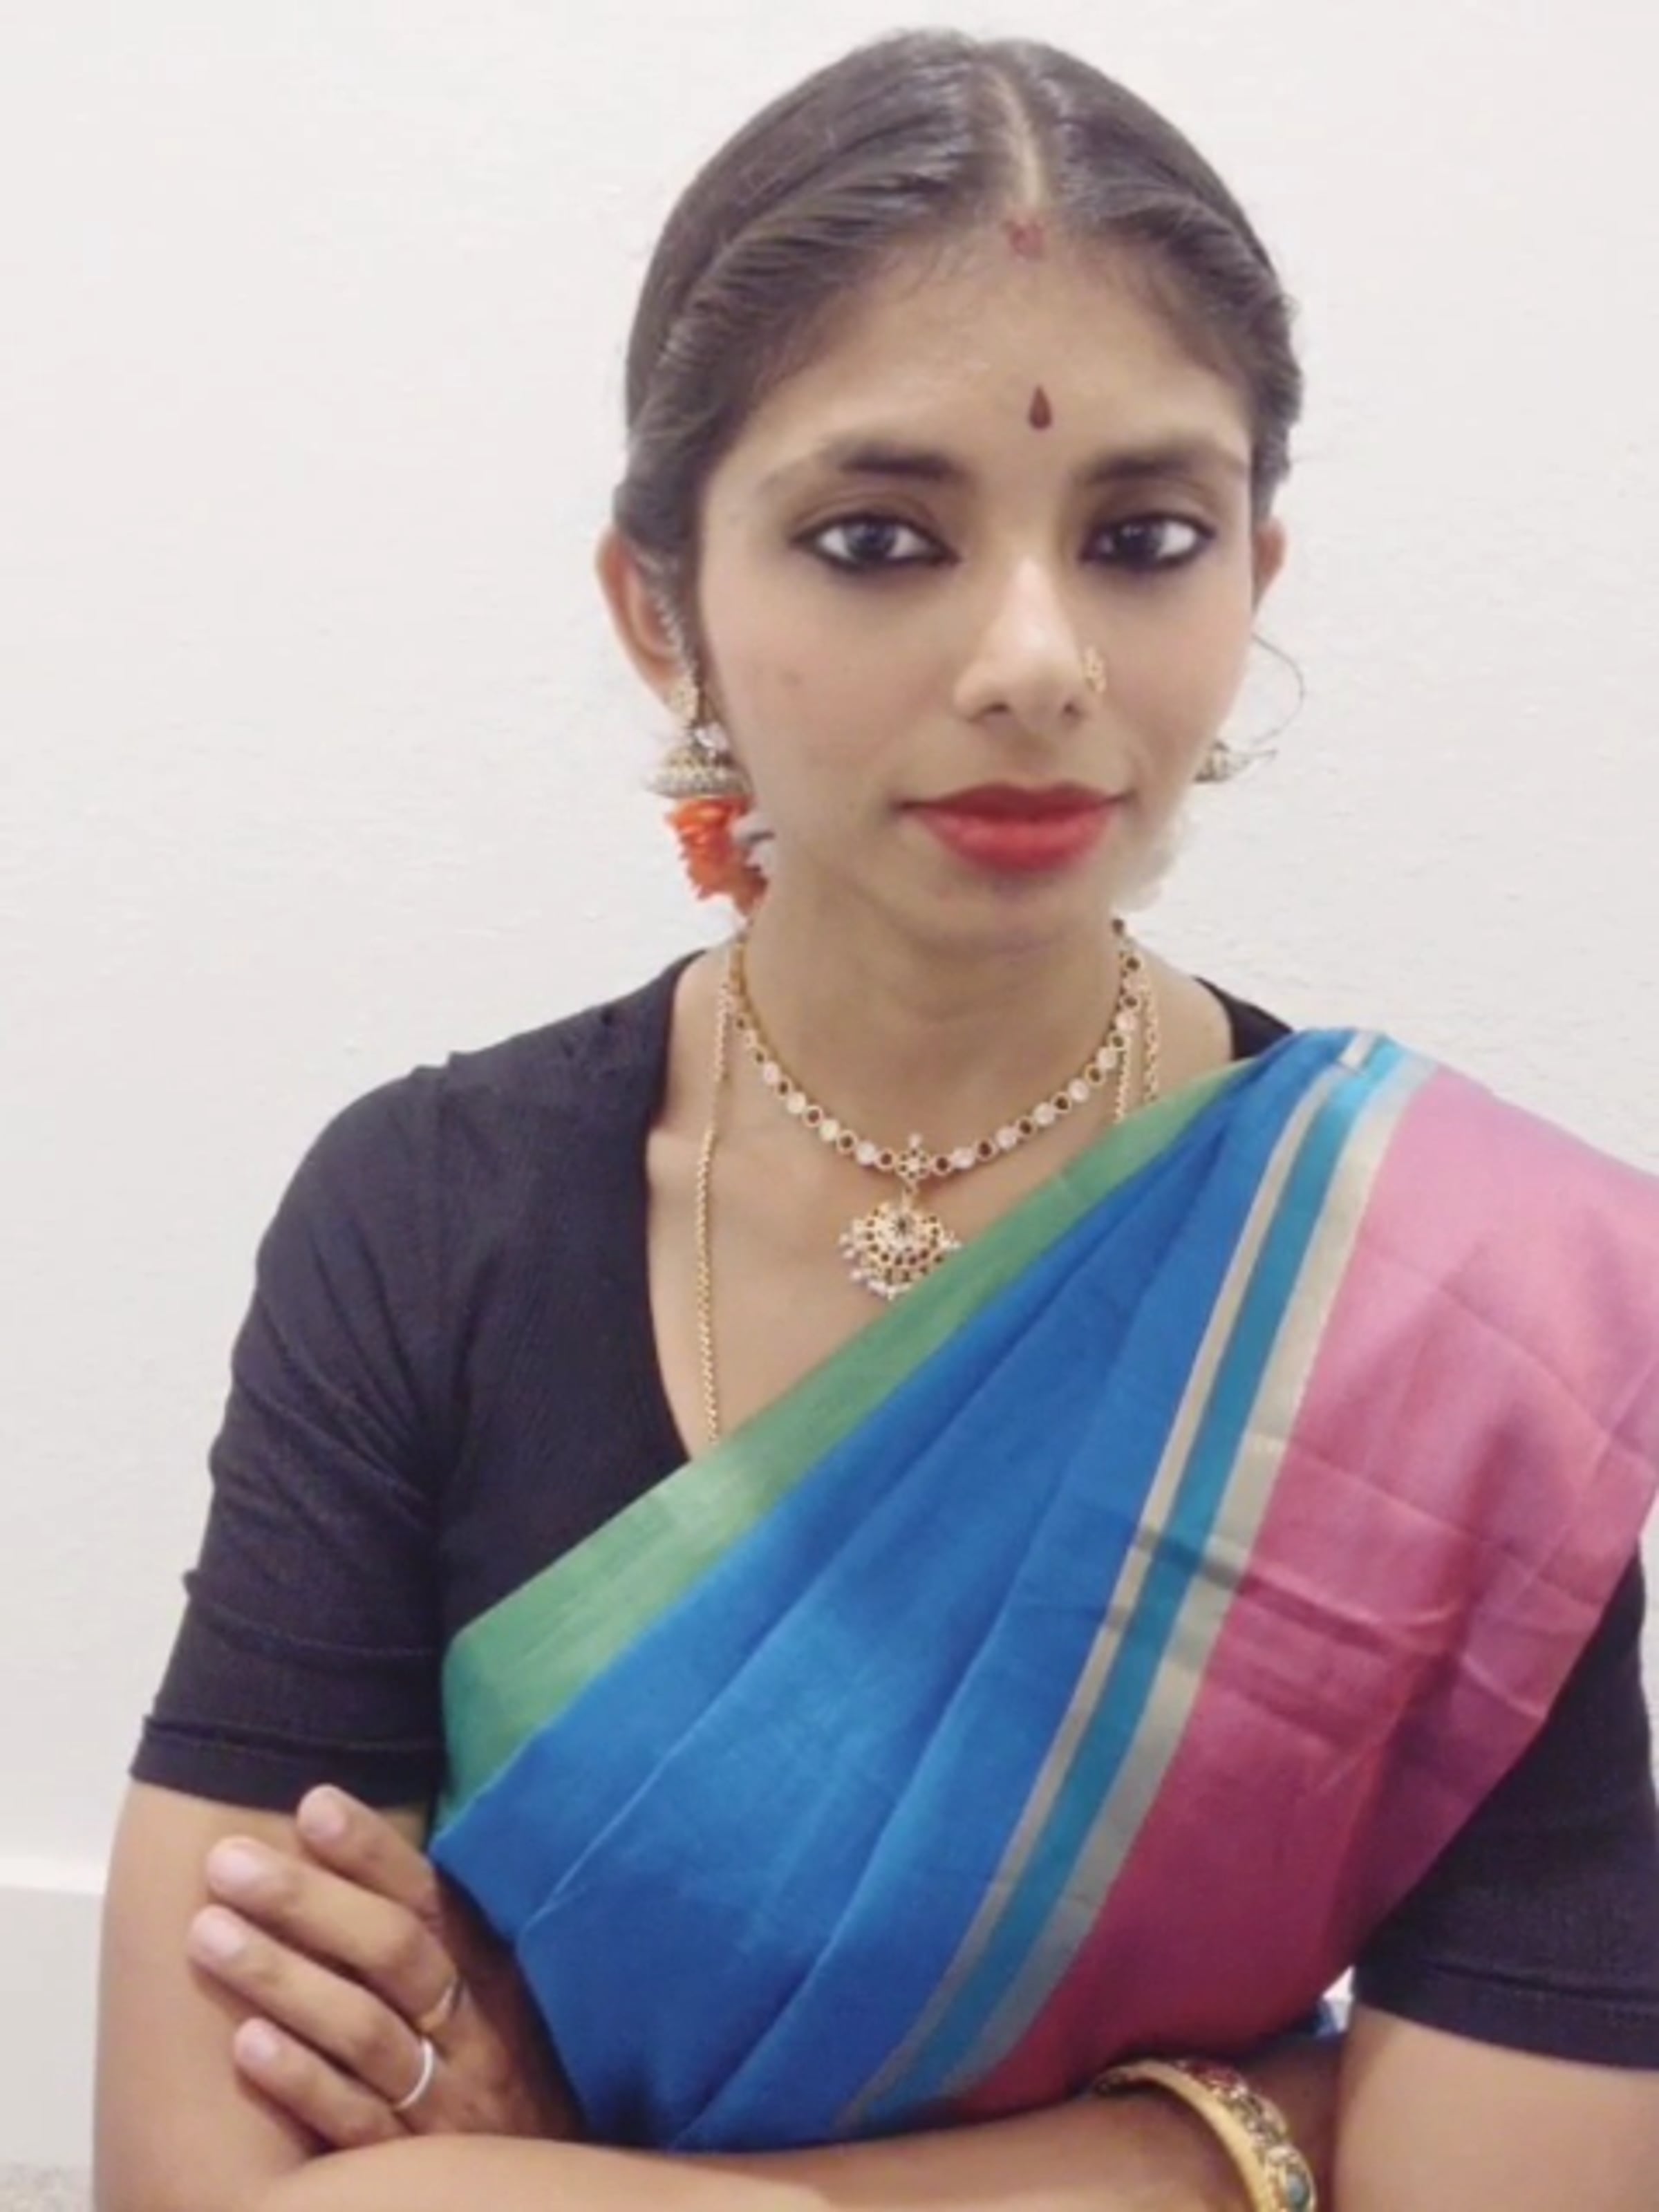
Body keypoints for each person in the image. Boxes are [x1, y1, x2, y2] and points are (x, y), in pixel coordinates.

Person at [94, 28, 1659, 2212]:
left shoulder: (1443, 1309)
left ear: (1256, 579)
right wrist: (1248, 2140)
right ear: (660, 610)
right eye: (877, 537)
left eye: (1144, 536)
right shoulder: (428, 1219)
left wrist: (561, 2181)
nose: (1036, 659)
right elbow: (200, 2174)